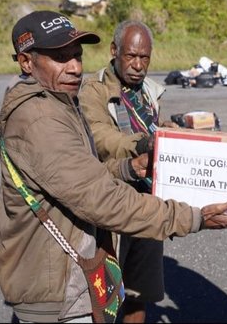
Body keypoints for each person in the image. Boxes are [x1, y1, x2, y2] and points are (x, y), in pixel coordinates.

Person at [0, 10, 227, 323]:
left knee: (138, 293)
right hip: (56, 290)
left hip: (75, 269)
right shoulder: (43, 119)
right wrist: (194, 216)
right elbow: (98, 194)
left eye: (76, 55)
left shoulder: (59, 103)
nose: (74, 67)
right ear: (26, 62)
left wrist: (128, 169)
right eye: (60, 58)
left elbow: (85, 171)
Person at [79, 20, 177, 323]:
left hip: (148, 202)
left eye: (144, 58)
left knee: (140, 293)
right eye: (130, 56)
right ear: (114, 51)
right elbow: (102, 139)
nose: (137, 65)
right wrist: (146, 141)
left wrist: (172, 134)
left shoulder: (149, 91)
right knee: (106, 296)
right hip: (112, 203)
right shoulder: (94, 90)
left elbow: (157, 133)